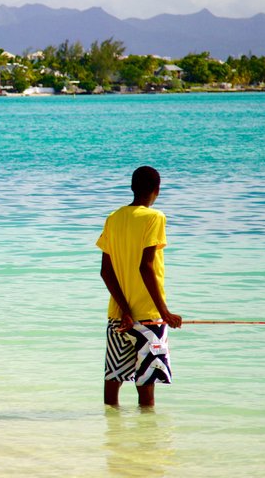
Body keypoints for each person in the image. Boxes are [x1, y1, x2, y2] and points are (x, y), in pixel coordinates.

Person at [96, 166, 182, 408]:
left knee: (112, 386)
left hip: (118, 317)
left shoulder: (113, 218)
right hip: (149, 319)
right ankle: (146, 444)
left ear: (132, 188)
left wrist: (124, 310)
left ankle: (112, 439)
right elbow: (146, 267)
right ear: (157, 190)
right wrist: (164, 312)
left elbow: (105, 271)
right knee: (146, 395)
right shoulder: (155, 218)